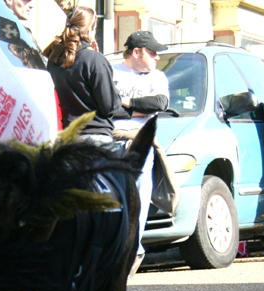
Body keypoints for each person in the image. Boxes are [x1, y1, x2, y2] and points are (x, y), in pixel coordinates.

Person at [111, 31, 169, 273]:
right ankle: (113, 249)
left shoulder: (158, 76)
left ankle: (134, 250)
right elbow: (108, 109)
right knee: (113, 198)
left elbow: (159, 103)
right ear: (137, 52)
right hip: (113, 141)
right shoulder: (112, 72)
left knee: (139, 200)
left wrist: (126, 104)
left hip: (141, 143)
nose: (157, 57)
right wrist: (136, 109)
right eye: (153, 52)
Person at [43, 6, 121, 142]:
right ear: (90, 29)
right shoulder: (93, 58)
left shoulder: (54, 59)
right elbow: (109, 107)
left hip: (67, 138)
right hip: (96, 136)